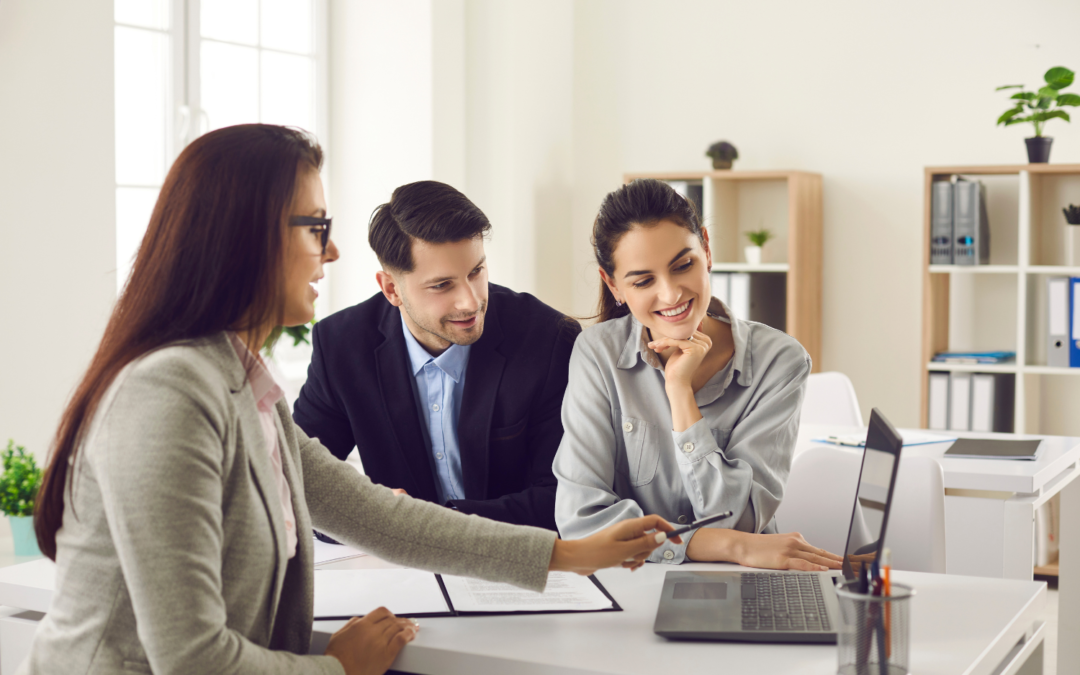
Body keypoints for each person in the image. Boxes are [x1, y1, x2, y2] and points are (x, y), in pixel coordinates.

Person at [25, 126, 677, 675]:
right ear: (243, 239)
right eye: (314, 228)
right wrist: (335, 666)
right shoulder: (167, 391)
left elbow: (380, 516)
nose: (330, 251)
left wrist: (571, 552)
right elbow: (192, 657)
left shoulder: (240, 379)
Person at [553, 178, 842, 571]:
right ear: (613, 285)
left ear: (706, 248)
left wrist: (679, 393)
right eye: (643, 281)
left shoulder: (780, 361)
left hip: (744, 581)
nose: (671, 295)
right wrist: (729, 545)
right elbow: (582, 523)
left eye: (683, 265)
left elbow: (741, 520)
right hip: (633, 585)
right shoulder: (597, 354)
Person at [292, 181, 578, 531]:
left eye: (476, 272)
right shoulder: (341, 346)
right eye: (442, 285)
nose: (471, 301)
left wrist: (428, 525)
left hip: (519, 563)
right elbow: (295, 484)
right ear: (391, 289)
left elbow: (565, 496)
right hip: (400, 571)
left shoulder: (547, 337)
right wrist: (370, 515)